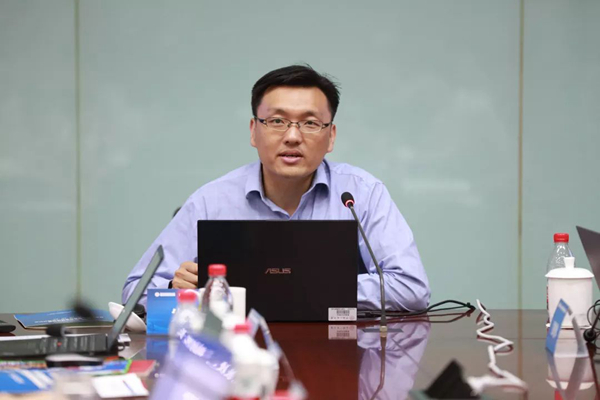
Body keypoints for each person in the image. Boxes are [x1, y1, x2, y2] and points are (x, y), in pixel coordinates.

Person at [123, 65, 430, 311]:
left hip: (342, 352)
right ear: (254, 131)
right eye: (277, 121)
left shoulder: (361, 193)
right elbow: (136, 292)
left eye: (310, 123)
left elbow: (411, 287)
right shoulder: (212, 200)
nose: (293, 136)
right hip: (236, 355)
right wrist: (174, 290)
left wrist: (305, 288)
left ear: (331, 137)